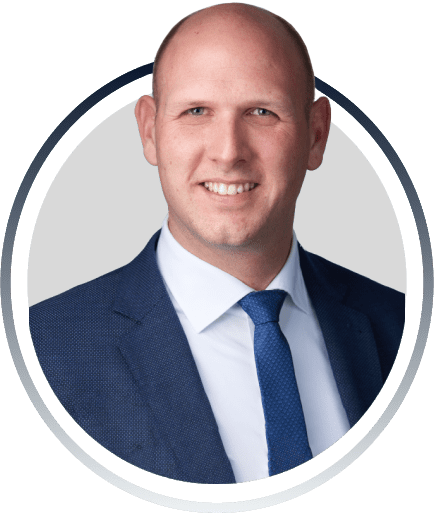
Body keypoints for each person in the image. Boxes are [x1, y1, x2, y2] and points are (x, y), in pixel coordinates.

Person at [29, 3, 404, 484]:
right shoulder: (40, 355)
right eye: (196, 111)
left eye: (262, 112)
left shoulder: (404, 328)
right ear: (150, 131)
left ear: (316, 134)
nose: (228, 152)